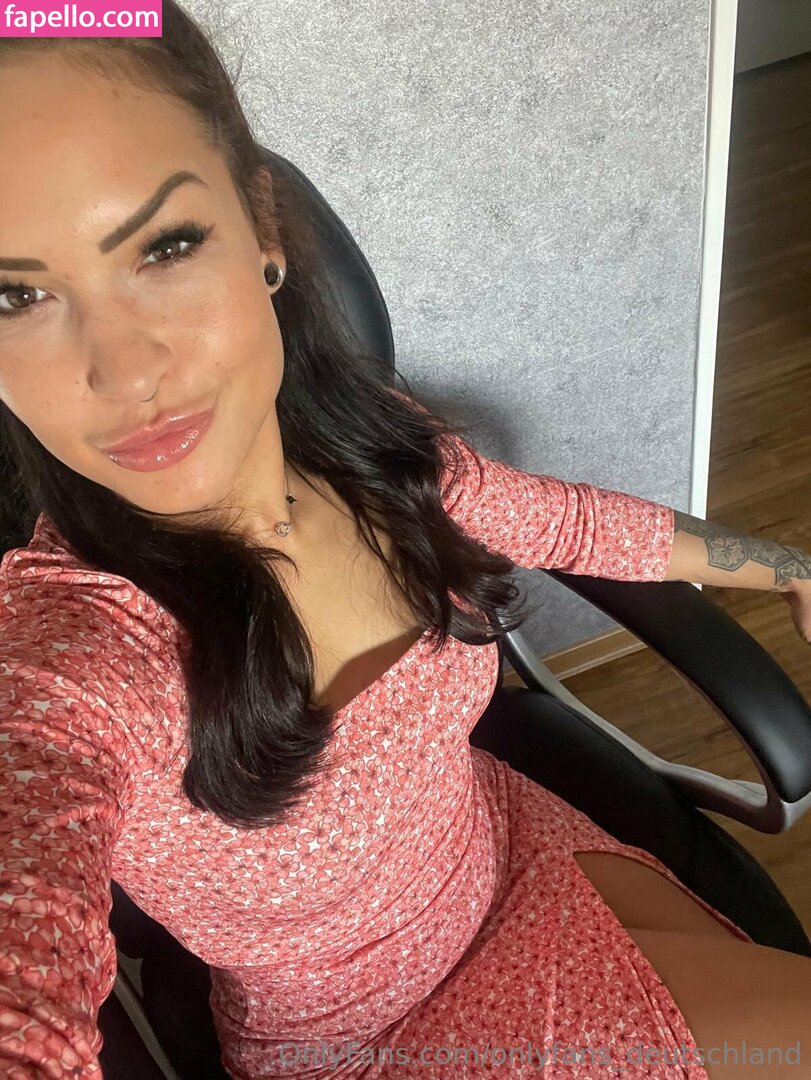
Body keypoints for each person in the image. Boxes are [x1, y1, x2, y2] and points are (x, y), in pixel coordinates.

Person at [1, 6, 810, 1079]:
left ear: (262, 229)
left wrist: (789, 567)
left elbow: (570, 522)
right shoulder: (70, 663)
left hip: (512, 853)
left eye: (167, 245)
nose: (124, 370)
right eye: (15, 295)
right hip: (364, 1037)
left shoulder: (376, 456)